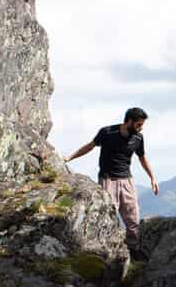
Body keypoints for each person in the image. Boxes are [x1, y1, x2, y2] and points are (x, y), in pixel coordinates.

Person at [66, 107, 159, 256]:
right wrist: (69, 158)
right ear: (129, 121)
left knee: (133, 217)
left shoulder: (138, 138)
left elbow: (142, 157)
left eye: (142, 125)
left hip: (127, 180)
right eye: (139, 125)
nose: (141, 128)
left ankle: (133, 250)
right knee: (108, 216)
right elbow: (89, 146)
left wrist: (152, 178)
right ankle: (104, 251)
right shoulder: (107, 132)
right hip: (108, 180)